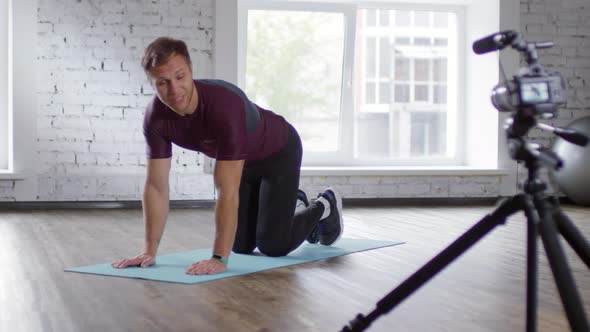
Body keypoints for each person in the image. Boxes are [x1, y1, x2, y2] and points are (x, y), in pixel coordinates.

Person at [112, 37, 343, 275]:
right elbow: (156, 187)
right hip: (244, 164)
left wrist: (219, 258)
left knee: (273, 245)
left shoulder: (223, 106)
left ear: (191, 71)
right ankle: (291, 204)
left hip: (279, 154)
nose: (174, 89)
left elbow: (227, 190)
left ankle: (324, 204)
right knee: (241, 245)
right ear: (152, 84)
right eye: (162, 82)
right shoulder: (156, 118)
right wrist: (149, 250)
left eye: (180, 77)